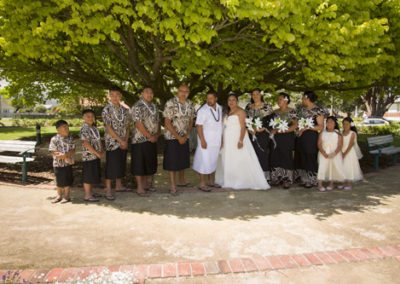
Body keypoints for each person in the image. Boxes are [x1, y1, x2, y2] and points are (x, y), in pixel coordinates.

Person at [215, 93, 270, 190]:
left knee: (238, 159)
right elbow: (224, 127)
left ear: (237, 101)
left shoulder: (241, 111)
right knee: (228, 159)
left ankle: (239, 180)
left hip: (237, 138)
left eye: (233, 100)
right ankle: (229, 180)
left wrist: (240, 140)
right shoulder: (227, 112)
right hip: (227, 139)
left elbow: (243, 127)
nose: (231, 102)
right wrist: (222, 141)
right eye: (229, 100)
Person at [163, 84, 195, 195]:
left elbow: (191, 121)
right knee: (172, 162)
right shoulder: (170, 103)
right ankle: (172, 185)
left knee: (182, 159)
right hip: (172, 137)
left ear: (188, 92)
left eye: (186, 91)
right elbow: (167, 122)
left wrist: (186, 135)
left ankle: (182, 181)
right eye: (181, 90)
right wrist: (178, 137)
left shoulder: (190, 104)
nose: (184, 93)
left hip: (185, 136)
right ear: (178, 91)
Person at [130, 87, 160, 197]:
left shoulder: (154, 106)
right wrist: (149, 136)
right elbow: (138, 123)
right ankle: (140, 187)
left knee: (149, 162)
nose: (149, 94)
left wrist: (156, 135)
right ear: (142, 94)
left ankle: (147, 185)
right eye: (147, 92)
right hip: (139, 140)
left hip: (152, 140)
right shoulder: (137, 106)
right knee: (139, 164)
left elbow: (158, 122)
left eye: (151, 92)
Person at [102, 86, 130, 200]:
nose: (114, 97)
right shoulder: (106, 109)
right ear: (109, 96)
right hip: (112, 142)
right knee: (111, 166)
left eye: (117, 95)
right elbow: (108, 128)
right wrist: (120, 140)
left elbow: (128, 127)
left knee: (121, 163)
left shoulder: (125, 110)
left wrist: (126, 140)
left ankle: (119, 186)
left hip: (124, 141)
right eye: (112, 95)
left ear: (120, 96)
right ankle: (108, 190)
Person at [192, 91, 223, 192]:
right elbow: (199, 126)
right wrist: (202, 140)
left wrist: (221, 139)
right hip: (206, 140)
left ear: (216, 98)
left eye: (211, 98)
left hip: (216, 140)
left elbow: (220, 125)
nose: (209, 100)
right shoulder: (203, 110)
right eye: (207, 98)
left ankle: (211, 182)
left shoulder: (220, 108)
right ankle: (202, 184)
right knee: (203, 161)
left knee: (213, 160)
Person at [295, 90, 326, 188]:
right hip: (301, 136)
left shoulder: (318, 110)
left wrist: (307, 128)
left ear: (307, 98)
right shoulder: (302, 110)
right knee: (302, 156)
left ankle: (312, 180)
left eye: (302, 98)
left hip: (311, 137)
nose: (301, 100)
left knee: (310, 157)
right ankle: (304, 179)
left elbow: (321, 126)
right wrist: (298, 129)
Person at [269, 93, 298, 189]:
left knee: (286, 157)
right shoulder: (274, 112)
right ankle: (276, 178)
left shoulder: (292, 111)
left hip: (287, 136)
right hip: (276, 138)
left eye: (280, 99)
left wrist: (284, 130)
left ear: (286, 100)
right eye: (278, 99)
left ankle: (287, 180)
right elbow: (271, 125)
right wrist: (273, 130)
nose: (278, 101)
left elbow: (295, 125)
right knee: (275, 156)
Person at [245, 88, 273, 180]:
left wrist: (264, 128)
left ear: (261, 95)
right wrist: (249, 129)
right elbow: (245, 120)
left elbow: (271, 121)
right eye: (253, 94)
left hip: (263, 134)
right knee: (252, 154)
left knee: (262, 154)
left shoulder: (267, 106)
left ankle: (265, 177)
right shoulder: (248, 106)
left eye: (257, 94)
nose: (255, 96)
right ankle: (254, 177)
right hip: (250, 134)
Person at [49, 120, 75, 204]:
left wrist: (67, 155)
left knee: (67, 179)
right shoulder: (54, 139)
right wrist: (62, 156)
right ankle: (59, 196)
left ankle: (67, 196)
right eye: (64, 127)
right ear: (58, 129)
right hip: (58, 164)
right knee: (59, 180)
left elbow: (73, 149)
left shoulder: (70, 138)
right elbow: (53, 151)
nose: (67, 129)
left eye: (67, 127)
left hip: (68, 163)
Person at [80, 109, 103, 202]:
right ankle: (87, 195)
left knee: (92, 174)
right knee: (88, 176)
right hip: (88, 156)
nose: (90, 118)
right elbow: (85, 143)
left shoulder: (94, 128)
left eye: (92, 116)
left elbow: (98, 140)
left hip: (95, 156)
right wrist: (97, 153)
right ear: (83, 118)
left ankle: (91, 192)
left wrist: (101, 150)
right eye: (88, 116)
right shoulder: (84, 129)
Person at [317, 116, 345, 192]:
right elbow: (319, 144)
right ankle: (320, 184)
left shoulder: (338, 134)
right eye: (328, 122)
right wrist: (323, 152)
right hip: (324, 153)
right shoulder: (322, 133)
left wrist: (334, 153)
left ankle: (331, 184)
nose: (329, 124)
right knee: (322, 167)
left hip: (334, 154)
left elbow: (340, 145)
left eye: (331, 122)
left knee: (332, 168)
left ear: (335, 124)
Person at [341, 117, 363, 190]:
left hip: (349, 153)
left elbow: (350, 145)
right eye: (343, 124)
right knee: (343, 168)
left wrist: (344, 154)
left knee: (349, 167)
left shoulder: (352, 134)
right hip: (342, 151)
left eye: (347, 124)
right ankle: (344, 183)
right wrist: (341, 152)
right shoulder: (341, 133)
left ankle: (349, 184)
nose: (345, 125)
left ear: (350, 125)